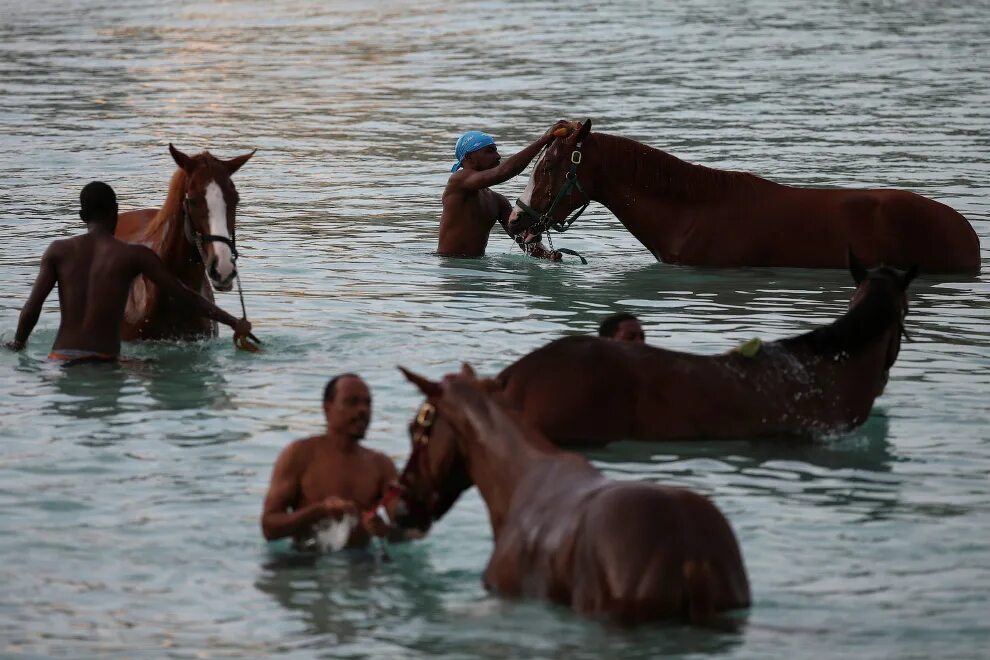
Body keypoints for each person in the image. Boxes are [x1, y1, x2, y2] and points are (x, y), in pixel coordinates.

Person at [4, 181, 251, 362]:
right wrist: (233, 322)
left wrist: (18, 344)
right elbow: (183, 294)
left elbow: (31, 309)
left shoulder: (57, 251)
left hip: (59, 358)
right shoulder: (133, 255)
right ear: (116, 212)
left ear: (81, 216)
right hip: (104, 362)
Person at [260, 374, 407, 551]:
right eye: (352, 402)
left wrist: (384, 530)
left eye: (367, 403)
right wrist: (318, 511)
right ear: (327, 408)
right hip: (305, 562)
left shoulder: (382, 466)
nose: (362, 410)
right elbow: (269, 527)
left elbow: (408, 531)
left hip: (361, 565)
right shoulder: (299, 455)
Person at [438, 124, 569, 260]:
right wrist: (544, 140)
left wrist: (548, 256)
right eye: (490, 151)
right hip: (450, 266)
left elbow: (524, 241)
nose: (498, 156)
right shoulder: (457, 181)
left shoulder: (498, 201)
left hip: (479, 270)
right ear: (469, 157)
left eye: (496, 150)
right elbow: (504, 172)